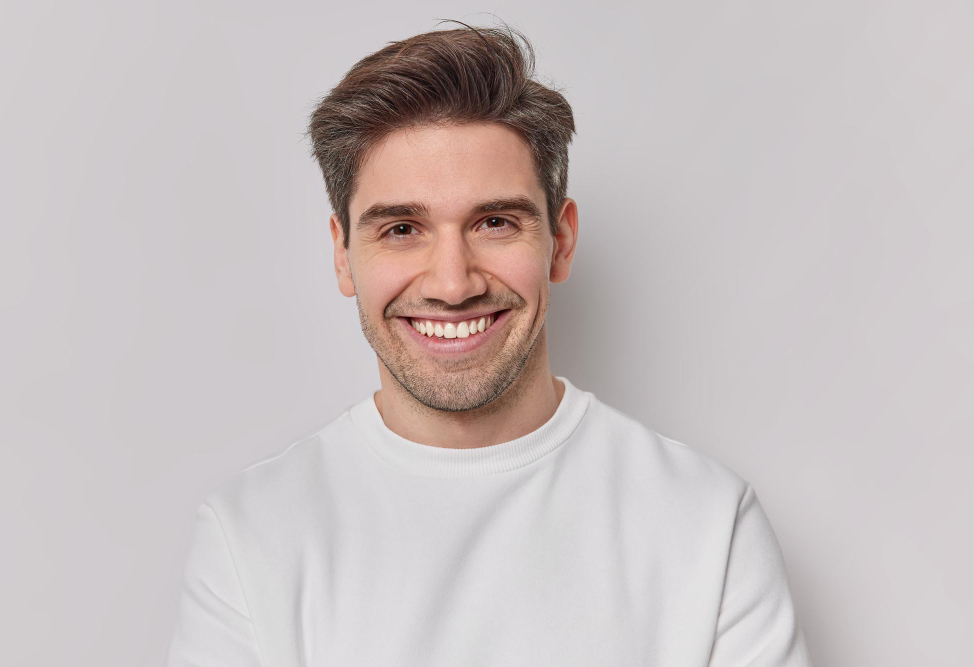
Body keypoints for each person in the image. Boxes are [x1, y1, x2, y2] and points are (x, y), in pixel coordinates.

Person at [166, 24, 812, 666]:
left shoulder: (705, 524)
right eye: (401, 228)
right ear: (342, 254)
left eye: (495, 222)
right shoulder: (251, 535)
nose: (453, 283)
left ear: (560, 241)